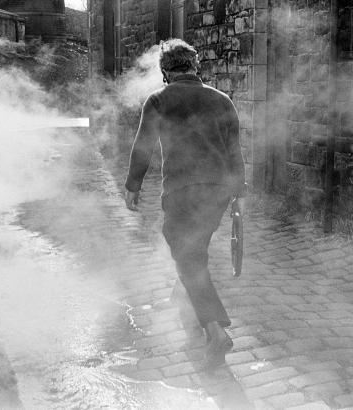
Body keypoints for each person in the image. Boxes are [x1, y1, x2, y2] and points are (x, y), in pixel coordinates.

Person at [124, 39, 247, 368]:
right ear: (196, 68)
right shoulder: (222, 100)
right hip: (219, 191)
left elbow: (143, 146)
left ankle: (214, 329)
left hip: (181, 191)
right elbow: (235, 149)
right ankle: (184, 295)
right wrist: (239, 193)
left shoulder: (159, 99)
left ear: (165, 71)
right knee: (194, 251)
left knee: (187, 257)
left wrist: (132, 186)